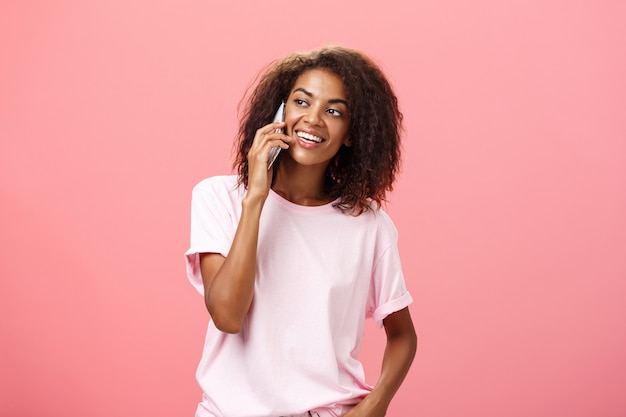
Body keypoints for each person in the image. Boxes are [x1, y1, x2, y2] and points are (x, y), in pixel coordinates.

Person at [185, 45, 417, 417]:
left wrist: (377, 403)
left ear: (352, 134)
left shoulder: (368, 224)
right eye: (302, 102)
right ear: (279, 112)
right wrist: (256, 198)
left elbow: (403, 334)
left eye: (333, 111)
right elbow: (227, 315)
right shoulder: (219, 198)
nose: (313, 120)